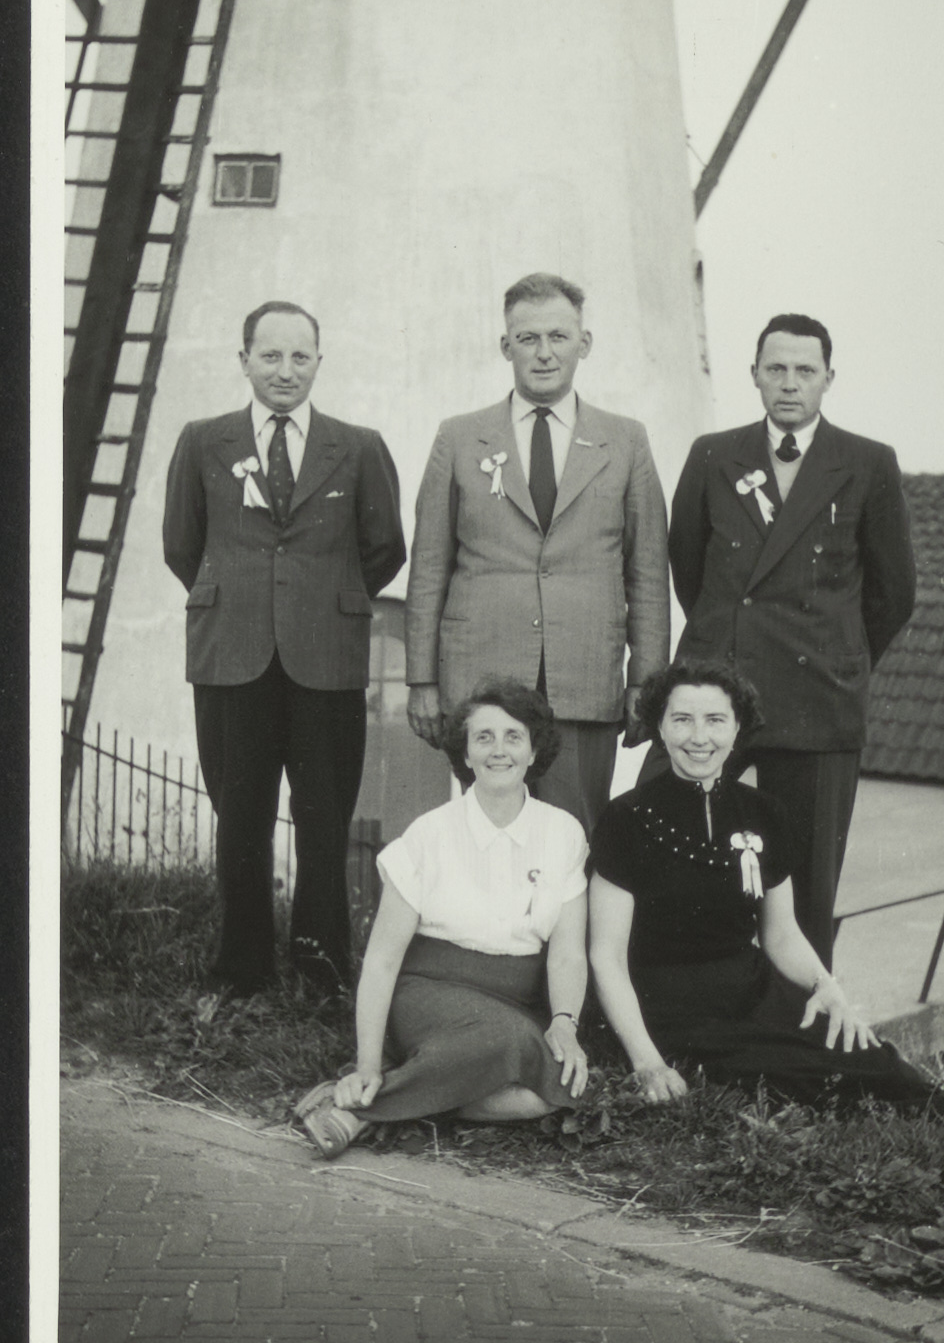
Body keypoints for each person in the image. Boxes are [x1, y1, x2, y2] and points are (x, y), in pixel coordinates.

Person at [163, 300, 406, 997]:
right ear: (244, 361)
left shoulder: (357, 446)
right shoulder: (202, 441)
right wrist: (245, 603)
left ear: (319, 363)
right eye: (270, 355)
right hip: (231, 655)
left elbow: (384, 547)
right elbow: (182, 544)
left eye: (300, 357)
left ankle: (321, 969)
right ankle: (242, 969)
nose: (285, 370)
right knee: (239, 816)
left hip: (325, 658)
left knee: (324, 817)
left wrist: (320, 602)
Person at [664, 313, 915, 968]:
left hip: (816, 697)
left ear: (829, 378)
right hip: (717, 688)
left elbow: (893, 592)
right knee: (668, 843)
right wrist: (726, 641)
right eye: (775, 369)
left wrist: (835, 656)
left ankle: (805, 1022)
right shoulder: (712, 454)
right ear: (753, 375)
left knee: (805, 884)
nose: (789, 383)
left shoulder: (867, 462)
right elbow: (689, 569)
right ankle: (678, 1004)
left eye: (805, 371)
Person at [589, 662, 944, 1110]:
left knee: (878, 1065)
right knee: (800, 1080)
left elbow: (781, 935)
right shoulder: (626, 817)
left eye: (715, 720)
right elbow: (606, 956)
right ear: (659, 726)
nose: (699, 737)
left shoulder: (764, 813)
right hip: (667, 1003)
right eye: (682, 720)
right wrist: (647, 1062)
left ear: (737, 728)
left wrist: (826, 986)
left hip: (751, 992)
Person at [404, 271, 670, 837]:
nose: (544, 353)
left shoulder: (626, 440)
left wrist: (645, 683)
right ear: (506, 346)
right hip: (481, 680)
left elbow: (647, 573)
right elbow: (428, 567)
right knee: (485, 837)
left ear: (584, 343)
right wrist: (421, 680)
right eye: (528, 338)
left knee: (575, 838)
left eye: (558, 337)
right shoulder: (459, 438)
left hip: (584, 678)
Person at [296, 680, 590, 1159]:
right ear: (465, 754)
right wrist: (366, 1060)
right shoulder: (428, 834)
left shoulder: (563, 832)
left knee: (553, 1091)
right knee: (506, 1039)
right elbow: (382, 961)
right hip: (427, 991)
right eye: (484, 737)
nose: (499, 750)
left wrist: (563, 1023)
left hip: (515, 999)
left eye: (514, 737)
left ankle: (388, 1100)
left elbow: (568, 953)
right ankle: (362, 1101)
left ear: (534, 750)